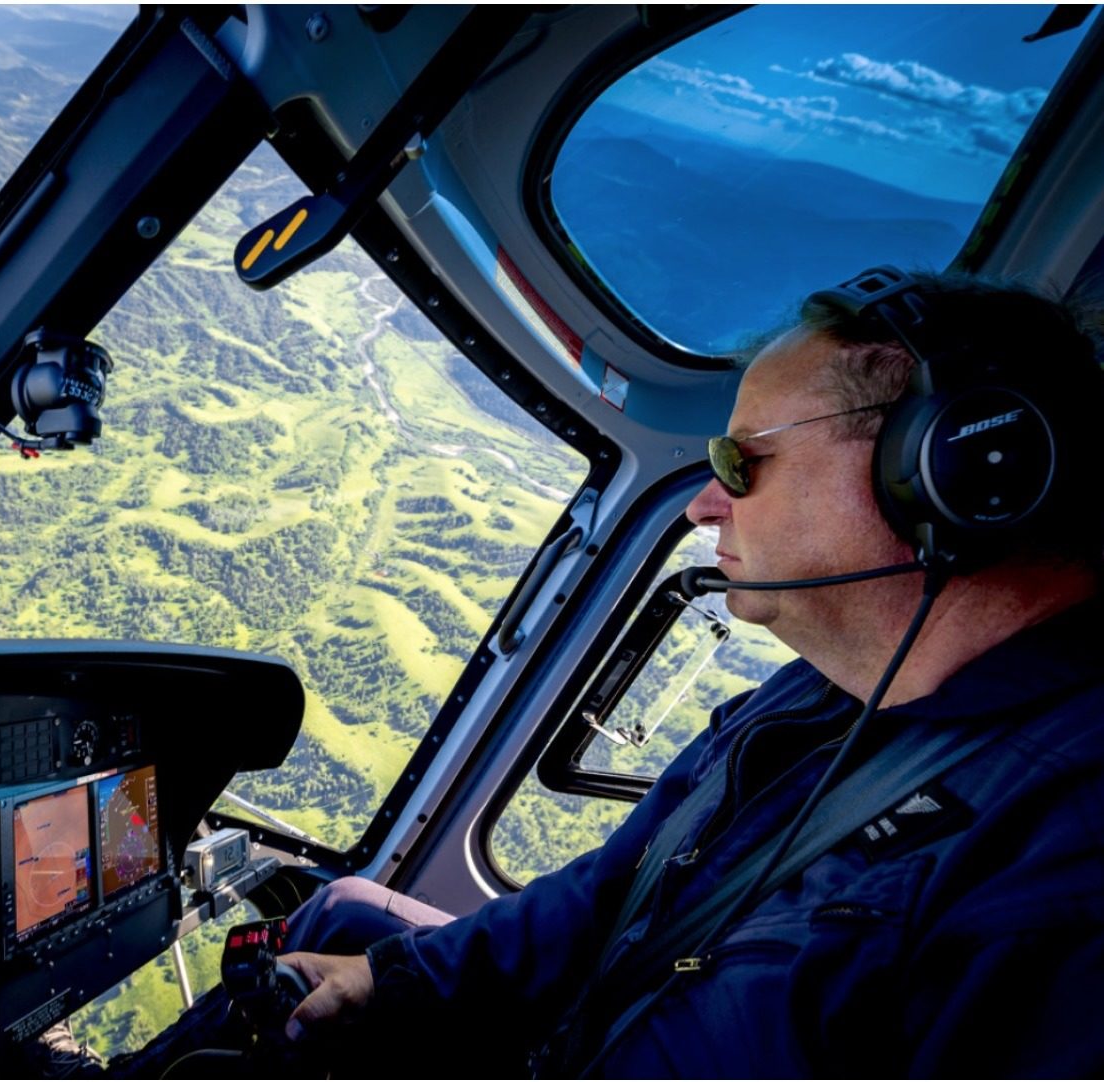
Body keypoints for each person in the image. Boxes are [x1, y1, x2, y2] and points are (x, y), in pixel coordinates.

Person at [274, 269, 1104, 1076]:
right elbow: (611, 893)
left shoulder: (1064, 853)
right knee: (333, 924)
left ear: (951, 470)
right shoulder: (814, 694)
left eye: (741, 461)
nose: (701, 504)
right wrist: (392, 978)